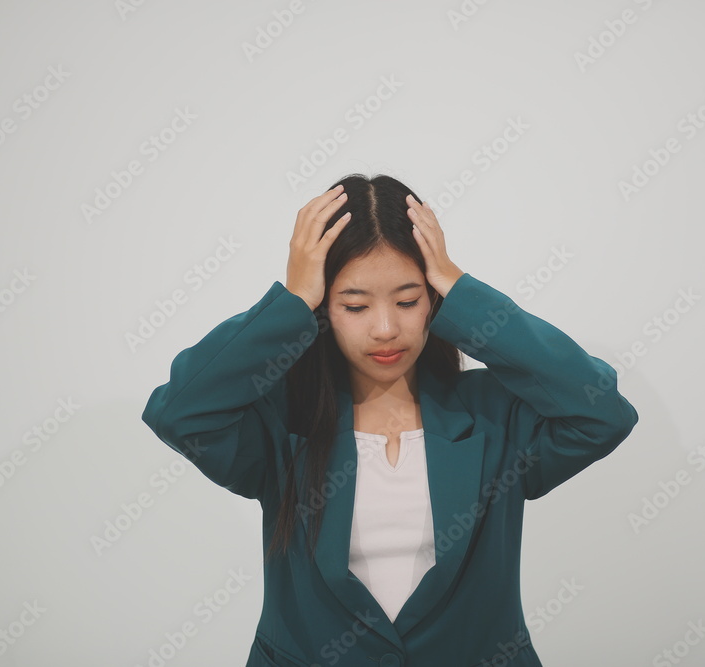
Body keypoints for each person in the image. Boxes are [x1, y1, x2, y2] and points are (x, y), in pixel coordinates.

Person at [141, 173, 639, 666]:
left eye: (407, 301)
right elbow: (179, 412)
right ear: (323, 310)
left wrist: (462, 290)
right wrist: (290, 302)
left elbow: (601, 412)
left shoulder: (494, 415)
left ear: (432, 302)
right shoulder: (282, 422)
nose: (385, 329)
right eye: (354, 305)